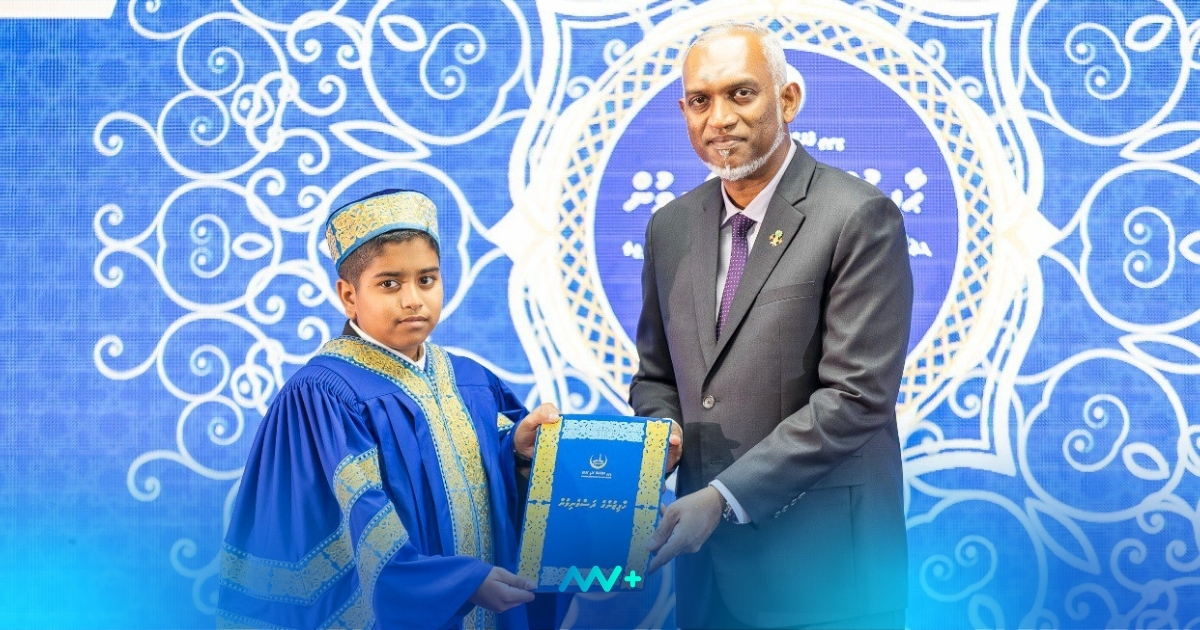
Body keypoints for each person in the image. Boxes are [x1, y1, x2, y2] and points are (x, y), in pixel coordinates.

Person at [630, 22, 913, 629]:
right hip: (705, 572)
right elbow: (656, 377)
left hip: (827, 578)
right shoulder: (669, 227)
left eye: (741, 93)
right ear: (684, 112)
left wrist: (724, 497)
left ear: (787, 99)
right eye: (700, 101)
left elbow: (857, 397)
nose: (720, 119)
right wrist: (664, 433)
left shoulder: (859, 216)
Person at [217, 189, 559, 629]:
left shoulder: (472, 380)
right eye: (389, 284)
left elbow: (493, 484)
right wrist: (458, 583)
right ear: (349, 295)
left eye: (426, 280)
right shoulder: (325, 396)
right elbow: (359, 525)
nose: (413, 299)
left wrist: (518, 453)